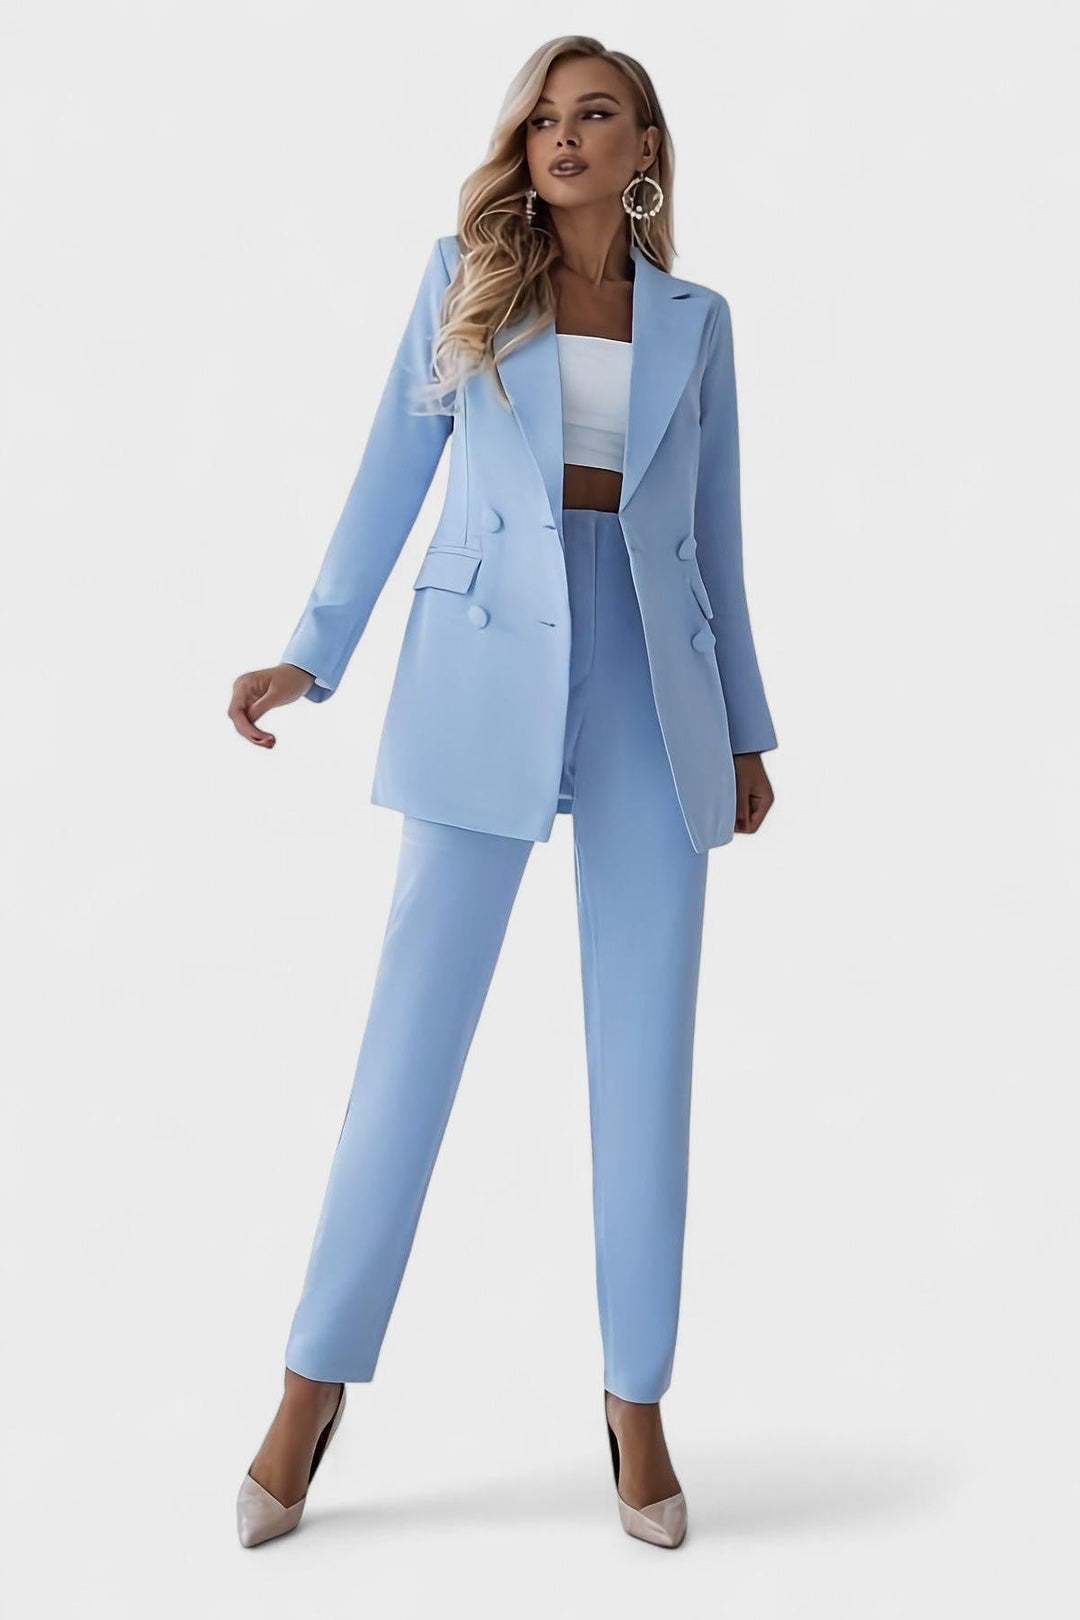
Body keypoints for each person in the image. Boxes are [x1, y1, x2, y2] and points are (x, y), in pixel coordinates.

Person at [228, 35, 777, 1551]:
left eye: (596, 115)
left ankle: (636, 1402)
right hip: (482, 671)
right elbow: (389, 474)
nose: (565, 136)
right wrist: (311, 653)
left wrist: (745, 729)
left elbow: (717, 534)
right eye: (544, 118)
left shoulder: (699, 321)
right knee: (408, 1044)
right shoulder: (465, 280)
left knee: (646, 1055)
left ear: (644, 144)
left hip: (655, 685)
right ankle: (310, 1383)